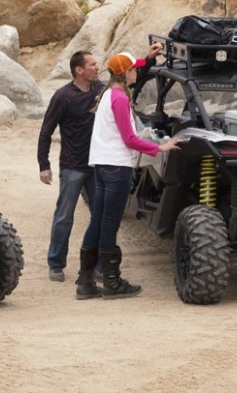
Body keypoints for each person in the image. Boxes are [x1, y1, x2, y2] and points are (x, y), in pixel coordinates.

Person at [76, 51, 178, 300]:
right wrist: (160, 148)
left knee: (98, 221)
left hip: (101, 165)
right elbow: (129, 139)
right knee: (110, 223)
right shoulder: (120, 99)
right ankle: (112, 282)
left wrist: (148, 57)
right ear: (124, 73)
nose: (137, 72)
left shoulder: (107, 93)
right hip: (116, 167)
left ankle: (85, 282)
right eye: (134, 69)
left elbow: (135, 65)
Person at [36, 50, 102, 283]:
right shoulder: (63, 96)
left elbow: (126, 81)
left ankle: (99, 265)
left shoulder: (100, 90)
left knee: (100, 217)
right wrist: (44, 165)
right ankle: (56, 264)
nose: (97, 67)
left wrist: (149, 58)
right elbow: (46, 130)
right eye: (92, 64)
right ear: (79, 70)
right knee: (64, 216)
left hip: (96, 166)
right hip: (72, 167)